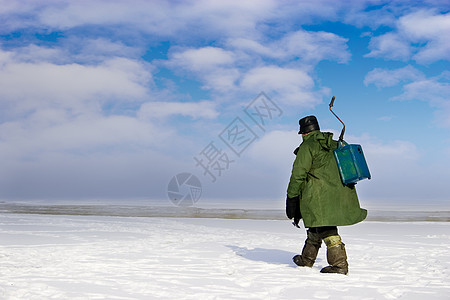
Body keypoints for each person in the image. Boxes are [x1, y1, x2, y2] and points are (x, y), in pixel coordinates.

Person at [286, 115, 367, 275]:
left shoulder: (308, 146)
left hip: (318, 195)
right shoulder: (334, 144)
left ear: (303, 133)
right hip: (340, 193)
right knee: (317, 225)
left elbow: (298, 175)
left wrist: (291, 197)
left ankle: (339, 265)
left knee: (328, 230)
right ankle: (306, 259)